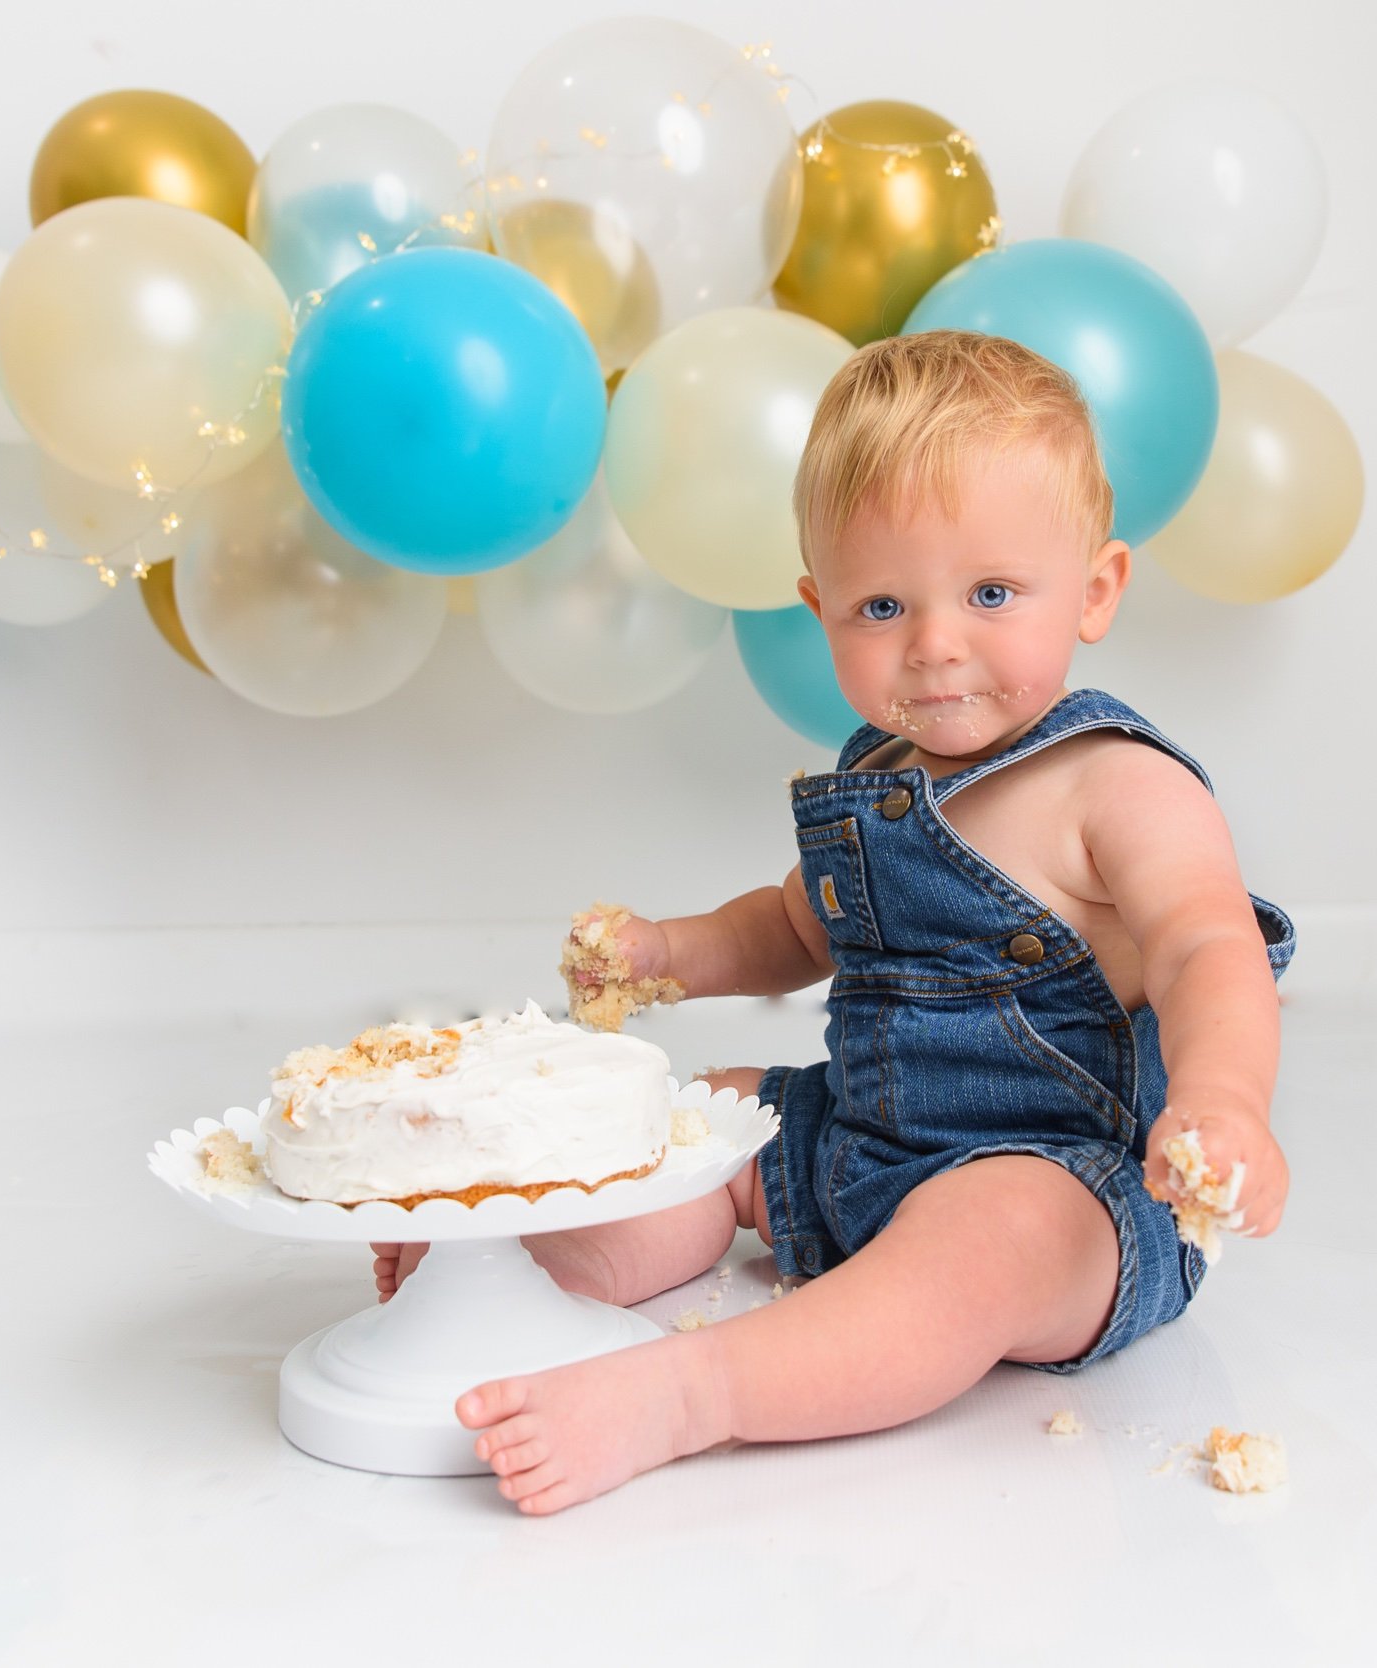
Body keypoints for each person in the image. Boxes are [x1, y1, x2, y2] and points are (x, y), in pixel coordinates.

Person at [376, 329, 1296, 1515]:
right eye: (880, 604)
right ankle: (531, 1283)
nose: (935, 644)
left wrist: (1223, 1107)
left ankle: (689, 1394)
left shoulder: (1116, 784)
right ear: (820, 609)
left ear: (1097, 587)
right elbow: (792, 929)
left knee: (985, 1240)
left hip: (1069, 1193)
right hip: (857, 1144)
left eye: (992, 593)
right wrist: (668, 954)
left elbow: (1205, 947)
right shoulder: (883, 779)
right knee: (704, 1122)